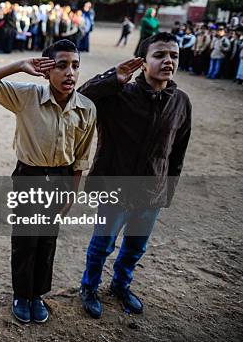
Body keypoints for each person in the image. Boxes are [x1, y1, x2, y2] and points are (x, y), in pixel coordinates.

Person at [0, 39, 96, 324]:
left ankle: (38, 294)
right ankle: (21, 294)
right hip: (30, 176)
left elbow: (81, 157)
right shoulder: (28, 96)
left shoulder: (86, 108)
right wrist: (18, 65)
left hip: (62, 179)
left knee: (47, 240)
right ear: (45, 70)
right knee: (25, 240)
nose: (70, 73)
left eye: (75, 66)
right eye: (61, 66)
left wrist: (73, 194)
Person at [78, 32, 191, 319]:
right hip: (116, 187)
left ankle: (120, 285)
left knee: (134, 247)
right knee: (102, 244)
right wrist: (112, 78)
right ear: (142, 63)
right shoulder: (119, 96)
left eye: (173, 56)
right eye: (159, 55)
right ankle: (89, 287)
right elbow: (80, 98)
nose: (168, 61)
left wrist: (167, 192)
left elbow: (177, 152)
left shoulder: (180, 102)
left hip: (151, 191)